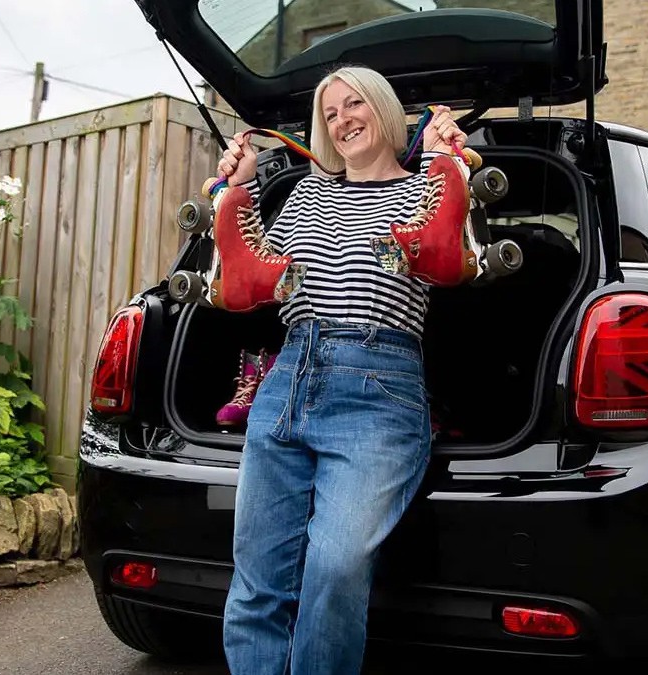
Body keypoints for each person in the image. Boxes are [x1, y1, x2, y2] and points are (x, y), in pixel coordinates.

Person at [214, 65, 467, 675]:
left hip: (378, 387)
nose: (342, 120)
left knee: (335, 568)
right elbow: (257, 272)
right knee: (257, 580)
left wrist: (448, 161)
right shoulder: (306, 194)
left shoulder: (424, 189)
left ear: (384, 107)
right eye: (330, 114)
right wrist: (237, 190)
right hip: (288, 379)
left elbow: (452, 256)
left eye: (354, 104)